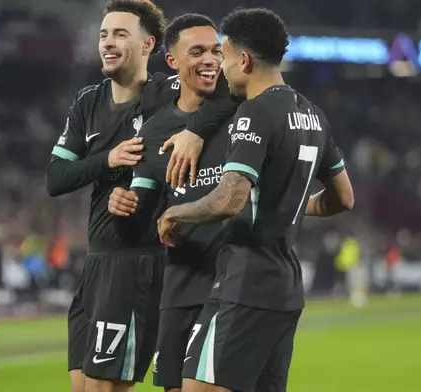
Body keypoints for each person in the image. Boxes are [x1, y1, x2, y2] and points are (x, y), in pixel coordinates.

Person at [156, 8, 353, 392]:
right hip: (286, 290)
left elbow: (229, 199)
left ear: (243, 60)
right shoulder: (313, 115)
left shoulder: (254, 112)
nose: (221, 68)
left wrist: (176, 213)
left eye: (225, 57)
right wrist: (288, 204)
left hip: (243, 285)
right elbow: (344, 197)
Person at [45, 2, 233, 392]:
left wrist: (195, 131)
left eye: (120, 34)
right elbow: (56, 178)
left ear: (148, 45)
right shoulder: (88, 102)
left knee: (105, 387)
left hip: (138, 258)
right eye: (103, 35)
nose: (108, 43)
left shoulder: (169, 92)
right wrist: (107, 159)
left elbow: (227, 91)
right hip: (97, 259)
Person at [106, 14, 236, 392]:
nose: (210, 59)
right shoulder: (155, 132)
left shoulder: (244, 112)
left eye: (216, 50)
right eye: (197, 52)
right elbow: (140, 220)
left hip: (233, 285)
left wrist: (196, 132)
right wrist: (123, 207)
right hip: (180, 286)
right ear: (172, 61)